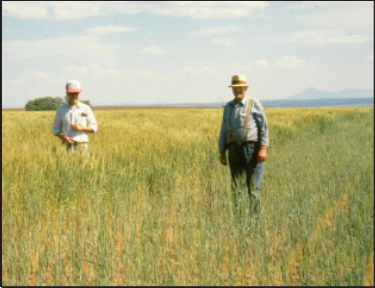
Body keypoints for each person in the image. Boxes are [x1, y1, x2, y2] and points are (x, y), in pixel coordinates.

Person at [218, 75, 269, 216]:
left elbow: (263, 127)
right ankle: (239, 222)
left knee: (253, 188)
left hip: (251, 150)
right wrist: (222, 151)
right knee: (237, 188)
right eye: (235, 88)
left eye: (240, 87)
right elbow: (223, 129)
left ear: (245, 88)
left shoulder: (254, 104)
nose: (238, 90)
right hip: (233, 150)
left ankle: (255, 223)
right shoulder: (228, 106)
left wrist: (263, 148)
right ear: (232, 90)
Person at [53, 80, 98, 155]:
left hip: (82, 146)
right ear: (67, 93)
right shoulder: (60, 109)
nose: (74, 96)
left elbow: (94, 128)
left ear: (79, 93)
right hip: (66, 146)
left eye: (76, 93)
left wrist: (81, 128)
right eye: (71, 93)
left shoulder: (86, 108)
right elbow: (56, 129)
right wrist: (64, 138)